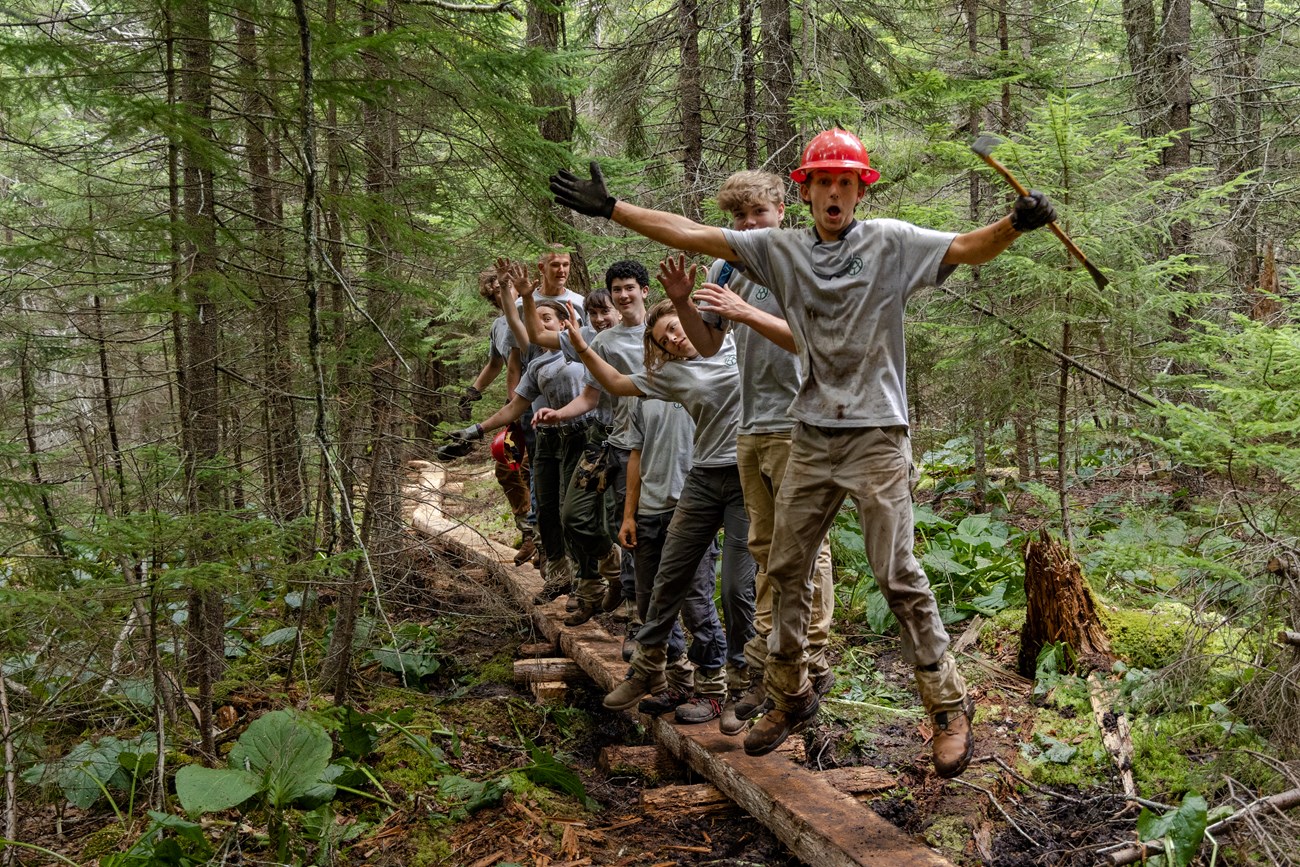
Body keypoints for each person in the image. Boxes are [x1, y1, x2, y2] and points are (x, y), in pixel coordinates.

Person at [550, 128, 1057, 772]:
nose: (836, 193)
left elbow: (967, 247)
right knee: (784, 570)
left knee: (897, 576)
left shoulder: (889, 242)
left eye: (847, 182)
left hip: (876, 434)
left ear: (859, 189)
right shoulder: (779, 250)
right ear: (807, 190)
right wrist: (613, 208)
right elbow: (690, 234)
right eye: (825, 182)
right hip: (811, 433)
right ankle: (789, 695)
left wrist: (1016, 222)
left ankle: (947, 707)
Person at [668, 170, 837, 736]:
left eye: (756, 215)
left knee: (805, 543)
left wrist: (744, 313)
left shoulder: (804, 257)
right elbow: (710, 340)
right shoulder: (725, 267)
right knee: (765, 545)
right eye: (738, 219)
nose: (747, 226)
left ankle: (810, 654)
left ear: (782, 211)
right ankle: (770, 653)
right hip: (751, 424)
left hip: (801, 422)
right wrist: (681, 303)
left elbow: (812, 337)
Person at [568, 264, 757, 725]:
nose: (673, 338)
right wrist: (582, 347)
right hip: (703, 477)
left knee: (733, 589)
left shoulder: (733, 343)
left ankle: (740, 686)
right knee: (667, 579)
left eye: (675, 326)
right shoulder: (669, 378)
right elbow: (614, 385)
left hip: (748, 473)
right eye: (662, 338)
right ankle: (650, 663)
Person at [448, 301, 597, 601]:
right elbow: (515, 406)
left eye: (547, 319)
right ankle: (558, 575)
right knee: (545, 510)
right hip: (546, 440)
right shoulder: (537, 366)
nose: (540, 325)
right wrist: (476, 430)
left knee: (571, 512)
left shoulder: (583, 354)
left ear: (563, 323)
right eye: (536, 320)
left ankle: (588, 581)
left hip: (581, 437)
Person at [534, 261, 652, 626]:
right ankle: (611, 569)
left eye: (628, 288)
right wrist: (558, 413)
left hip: (651, 443)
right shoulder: (601, 343)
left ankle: (636, 615)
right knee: (574, 515)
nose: (623, 295)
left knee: (631, 524)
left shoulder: (660, 332)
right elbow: (589, 396)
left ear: (643, 291)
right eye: (616, 289)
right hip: (605, 442)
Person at [617, 395, 718, 714]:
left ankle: (713, 689)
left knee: (695, 604)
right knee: (650, 606)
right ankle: (679, 682)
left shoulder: (703, 383)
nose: (673, 340)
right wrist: (628, 515)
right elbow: (635, 453)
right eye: (659, 340)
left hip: (693, 510)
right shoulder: (641, 391)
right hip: (648, 513)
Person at [444, 268, 536, 563]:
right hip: (516, 408)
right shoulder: (499, 325)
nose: (502, 292)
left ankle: (542, 539)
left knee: (525, 468)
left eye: (506, 286)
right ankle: (530, 533)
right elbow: (496, 364)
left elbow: (515, 365)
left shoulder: (528, 311)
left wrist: (515, 402)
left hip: (532, 405)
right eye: (496, 290)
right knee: (507, 467)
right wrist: (473, 390)